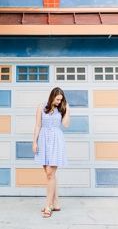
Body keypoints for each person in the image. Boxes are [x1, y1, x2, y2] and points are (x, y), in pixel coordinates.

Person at [33, 87, 70, 218]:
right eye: (57, 99)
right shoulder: (41, 106)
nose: (59, 102)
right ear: (52, 97)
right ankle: (56, 203)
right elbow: (38, 125)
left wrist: (67, 109)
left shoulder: (62, 108)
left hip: (56, 140)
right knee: (50, 175)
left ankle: (48, 206)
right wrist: (34, 142)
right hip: (43, 140)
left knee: (50, 174)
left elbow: (65, 125)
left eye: (61, 100)